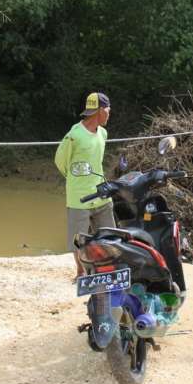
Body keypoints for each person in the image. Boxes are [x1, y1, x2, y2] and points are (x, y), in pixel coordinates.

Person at [54, 92, 116, 281]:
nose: (109, 113)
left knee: (109, 235)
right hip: (78, 196)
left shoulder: (103, 133)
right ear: (99, 111)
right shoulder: (74, 135)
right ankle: (81, 273)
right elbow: (60, 161)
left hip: (101, 192)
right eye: (108, 110)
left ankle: (107, 269)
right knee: (78, 239)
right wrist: (74, 180)